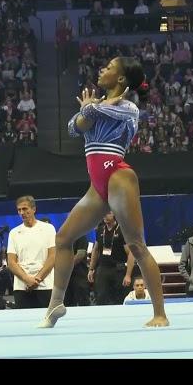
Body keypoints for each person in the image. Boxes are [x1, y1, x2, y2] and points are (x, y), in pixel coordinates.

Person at [39, 56, 169, 328]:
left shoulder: (129, 108)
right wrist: (88, 109)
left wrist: (90, 109)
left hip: (119, 175)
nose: (102, 69)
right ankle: (56, 305)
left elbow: (95, 115)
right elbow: (74, 127)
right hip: (97, 184)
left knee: (136, 244)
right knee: (63, 238)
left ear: (121, 79)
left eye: (109, 67)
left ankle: (160, 313)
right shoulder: (97, 106)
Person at [7, 196, 56, 309]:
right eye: (19, 210)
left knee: (46, 320)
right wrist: (27, 279)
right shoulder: (14, 233)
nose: (22, 212)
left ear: (34, 209)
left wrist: (37, 279)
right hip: (21, 286)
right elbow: (11, 262)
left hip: (45, 285)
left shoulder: (48, 228)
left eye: (25, 209)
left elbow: (52, 257)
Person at [88, 212, 135, 305]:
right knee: (101, 297)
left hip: (118, 269)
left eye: (108, 213)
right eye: (103, 214)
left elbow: (130, 254)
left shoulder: (122, 230)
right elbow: (96, 250)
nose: (105, 216)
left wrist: (128, 275)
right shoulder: (100, 229)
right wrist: (91, 269)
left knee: (118, 299)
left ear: (114, 215)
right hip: (103, 269)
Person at [65, 233, 90, 307]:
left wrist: (66, 267)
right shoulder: (65, 237)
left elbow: (80, 255)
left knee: (82, 302)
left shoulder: (81, 236)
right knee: (67, 302)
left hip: (79, 274)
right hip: (66, 277)